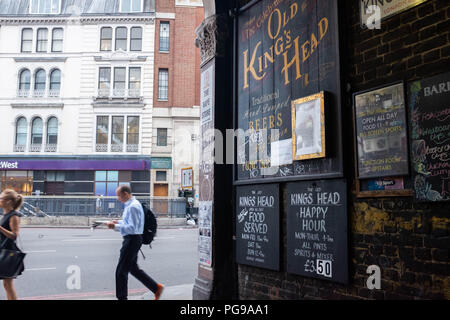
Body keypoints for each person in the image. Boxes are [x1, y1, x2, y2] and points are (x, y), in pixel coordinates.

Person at [106, 185, 164, 300]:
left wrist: (115, 226)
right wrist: (119, 222)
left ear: (126, 194)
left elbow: (132, 228)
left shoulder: (133, 206)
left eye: (119, 195)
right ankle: (156, 288)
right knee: (133, 269)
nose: (118, 198)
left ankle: (122, 298)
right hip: (133, 239)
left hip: (132, 240)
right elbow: (130, 223)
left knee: (121, 271)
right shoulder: (132, 205)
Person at [0, 189, 25, 300]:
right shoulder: (6, 214)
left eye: (2, 198)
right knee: (7, 284)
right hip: (4, 251)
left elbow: (14, 235)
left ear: (9, 201)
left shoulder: (13, 216)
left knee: (8, 284)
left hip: (9, 253)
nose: (0, 200)